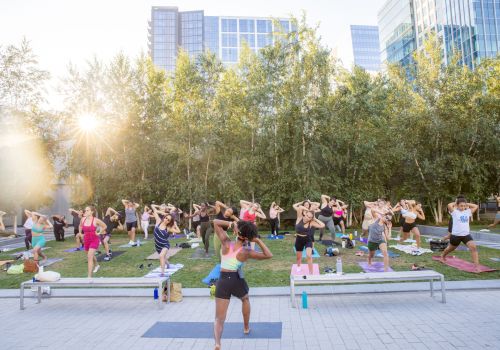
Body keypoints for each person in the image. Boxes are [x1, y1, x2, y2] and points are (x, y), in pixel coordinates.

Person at [212, 219, 273, 350]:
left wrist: (231, 224)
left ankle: (217, 343)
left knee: (219, 318)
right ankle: (246, 327)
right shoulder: (247, 252)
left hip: (223, 280)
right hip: (236, 279)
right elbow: (269, 255)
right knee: (245, 299)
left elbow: (215, 222)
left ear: (237, 232)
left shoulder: (226, 242)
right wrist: (257, 240)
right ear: (248, 237)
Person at [441, 197, 480, 272]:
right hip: (456, 236)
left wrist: (465, 203)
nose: (463, 207)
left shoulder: (468, 211)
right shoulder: (454, 212)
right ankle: (442, 256)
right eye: (461, 206)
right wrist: (457, 202)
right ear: (457, 205)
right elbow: (449, 205)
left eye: (464, 206)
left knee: (473, 247)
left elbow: (476, 206)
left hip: (466, 235)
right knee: (450, 249)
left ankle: (477, 266)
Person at [151, 206, 180, 276]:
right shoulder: (158, 221)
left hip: (165, 245)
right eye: (166, 218)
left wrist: (175, 224)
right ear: (164, 217)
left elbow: (178, 231)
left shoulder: (168, 228)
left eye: (168, 220)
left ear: (169, 222)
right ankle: (168, 264)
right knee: (163, 257)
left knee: (161, 256)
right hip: (157, 245)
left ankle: (162, 273)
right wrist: (163, 212)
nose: (166, 220)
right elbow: (154, 211)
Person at [79, 206, 107, 277]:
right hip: (86, 240)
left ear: (92, 212)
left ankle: (89, 277)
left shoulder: (96, 220)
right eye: (85, 210)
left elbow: (105, 226)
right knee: (90, 255)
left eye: (87, 210)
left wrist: (99, 232)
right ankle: (97, 265)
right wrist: (80, 233)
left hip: (94, 240)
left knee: (89, 257)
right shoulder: (83, 219)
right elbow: (80, 226)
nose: (85, 211)